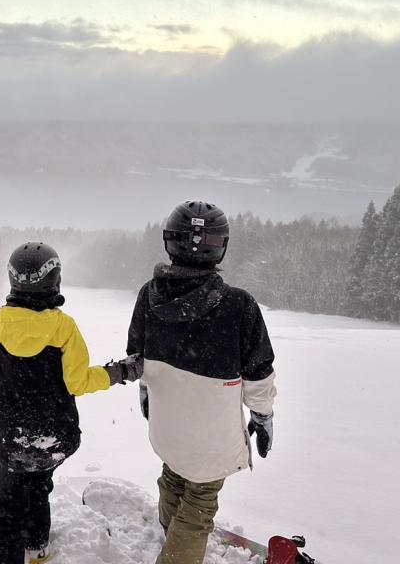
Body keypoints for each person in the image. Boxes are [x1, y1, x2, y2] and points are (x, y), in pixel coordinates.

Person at [127, 202, 276, 564]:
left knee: (174, 474)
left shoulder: (150, 295)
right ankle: (178, 551)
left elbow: (136, 356)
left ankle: (169, 530)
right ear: (219, 246)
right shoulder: (239, 305)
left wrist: (146, 390)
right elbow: (259, 374)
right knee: (200, 502)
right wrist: (262, 416)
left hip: (168, 424)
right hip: (212, 435)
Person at [0, 242, 142, 564]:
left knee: (9, 502)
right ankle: (37, 543)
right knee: (39, 484)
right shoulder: (63, 327)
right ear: (54, 279)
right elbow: (78, 382)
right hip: (56, 435)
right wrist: (120, 371)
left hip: (13, 433)